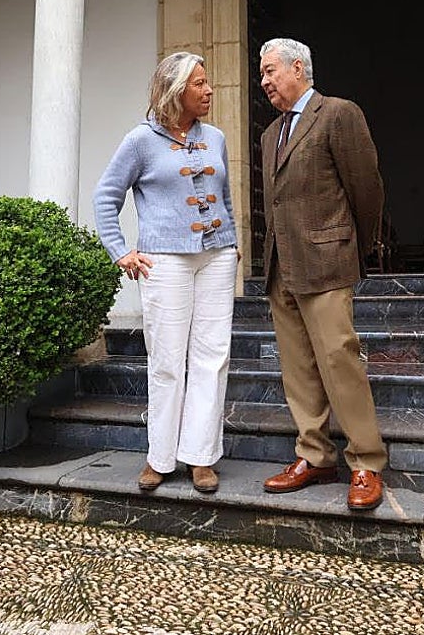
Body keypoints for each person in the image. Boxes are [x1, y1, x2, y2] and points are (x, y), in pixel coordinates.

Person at [93, 52, 239, 495]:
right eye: (200, 83)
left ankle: (201, 457)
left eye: (208, 82)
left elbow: (226, 197)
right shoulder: (140, 141)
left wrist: (232, 246)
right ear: (176, 91)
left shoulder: (214, 137)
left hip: (217, 257)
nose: (209, 90)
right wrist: (121, 252)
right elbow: (106, 196)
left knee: (212, 357)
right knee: (168, 361)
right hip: (165, 262)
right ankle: (160, 456)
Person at [256, 37, 388, 510]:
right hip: (281, 268)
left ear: (298, 68)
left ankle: (366, 462)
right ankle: (314, 455)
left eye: (271, 71)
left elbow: (365, 188)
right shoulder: (270, 135)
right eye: (262, 72)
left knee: (339, 360)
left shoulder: (338, 113)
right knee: (298, 369)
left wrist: (356, 247)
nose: (265, 80)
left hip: (327, 261)